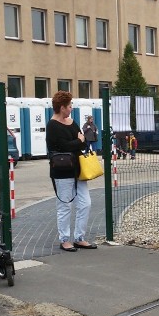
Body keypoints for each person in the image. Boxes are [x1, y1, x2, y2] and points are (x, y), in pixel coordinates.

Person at [46, 91, 97, 252]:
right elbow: (63, 146)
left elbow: (80, 143)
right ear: (62, 108)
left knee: (85, 203)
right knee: (65, 205)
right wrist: (77, 141)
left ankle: (79, 237)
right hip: (62, 171)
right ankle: (65, 239)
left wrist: (77, 142)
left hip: (78, 170)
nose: (71, 108)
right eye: (69, 106)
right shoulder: (52, 126)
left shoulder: (72, 122)